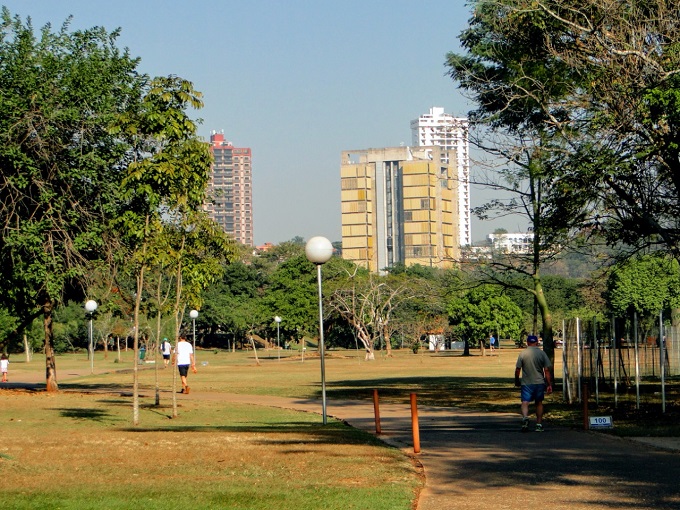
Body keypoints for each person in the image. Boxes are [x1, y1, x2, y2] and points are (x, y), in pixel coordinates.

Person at [515, 335, 552, 432]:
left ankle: (525, 418)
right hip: (539, 382)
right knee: (539, 402)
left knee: (525, 402)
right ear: (536, 343)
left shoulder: (523, 353)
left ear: (527, 343)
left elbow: (518, 369)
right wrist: (549, 384)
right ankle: (538, 424)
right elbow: (546, 370)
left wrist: (517, 380)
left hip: (526, 382)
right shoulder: (542, 353)